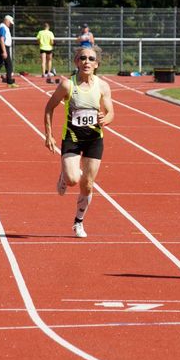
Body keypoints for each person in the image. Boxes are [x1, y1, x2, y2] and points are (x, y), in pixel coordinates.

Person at [44, 46, 114, 238]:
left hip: (94, 140)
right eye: (82, 58)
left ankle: (78, 222)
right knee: (73, 180)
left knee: (88, 184)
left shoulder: (103, 86)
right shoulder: (68, 85)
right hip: (72, 138)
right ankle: (65, 175)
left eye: (91, 59)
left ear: (97, 64)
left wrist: (106, 119)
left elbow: (110, 112)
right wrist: (48, 135)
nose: (87, 62)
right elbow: (49, 108)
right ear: (76, 62)